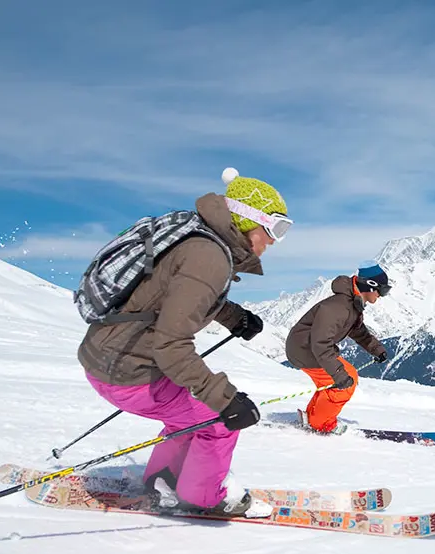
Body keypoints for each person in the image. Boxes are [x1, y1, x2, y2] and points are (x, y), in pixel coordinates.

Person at [77, 168, 292, 518]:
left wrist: (233, 316)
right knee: (219, 420)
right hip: (129, 374)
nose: (273, 241)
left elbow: (172, 293)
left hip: (105, 360)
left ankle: (162, 479)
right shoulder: (209, 257)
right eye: (275, 229)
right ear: (246, 220)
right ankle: (205, 496)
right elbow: (172, 343)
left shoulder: (194, 236)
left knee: (187, 417)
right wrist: (225, 399)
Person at [284, 262, 391, 434]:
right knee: (344, 383)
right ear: (370, 286)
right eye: (383, 290)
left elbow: (358, 331)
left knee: (337, 381)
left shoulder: (351, 304)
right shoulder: (338, 307)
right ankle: (320, 423)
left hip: (308, 347)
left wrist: (377, 349)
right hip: (305, 349)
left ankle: (313, 416)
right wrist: (339, 375)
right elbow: (320, 344)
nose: (383, 296)